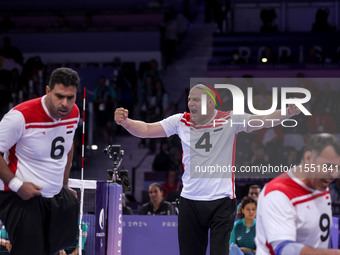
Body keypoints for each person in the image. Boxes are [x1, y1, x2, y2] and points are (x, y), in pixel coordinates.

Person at [115, 83, 301, 254]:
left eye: (196, 99)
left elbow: (265, 120)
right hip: (190, 201)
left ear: (210, 103)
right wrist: (126, 122)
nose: (190, 103)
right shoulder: (181, 121)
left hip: (222, 202)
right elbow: (147, 129)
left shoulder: (230, 119)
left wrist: (287, 112)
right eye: (189, 99)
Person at [0, 67, 80, 255]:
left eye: (71, 97)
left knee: (56, 249)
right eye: (59, 96)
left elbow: (68, 146)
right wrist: (16, 184)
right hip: (19, 196)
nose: (65, 103)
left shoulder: (73, 112)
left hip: (53, 196)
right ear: (47, 91)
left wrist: (64, 184)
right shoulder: (20, 116)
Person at [256, 133, 340, 255]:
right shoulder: (278, 194)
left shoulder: (320, 183)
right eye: (328, 166)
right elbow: (284, 250)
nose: (334, 175)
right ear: (309, 158)